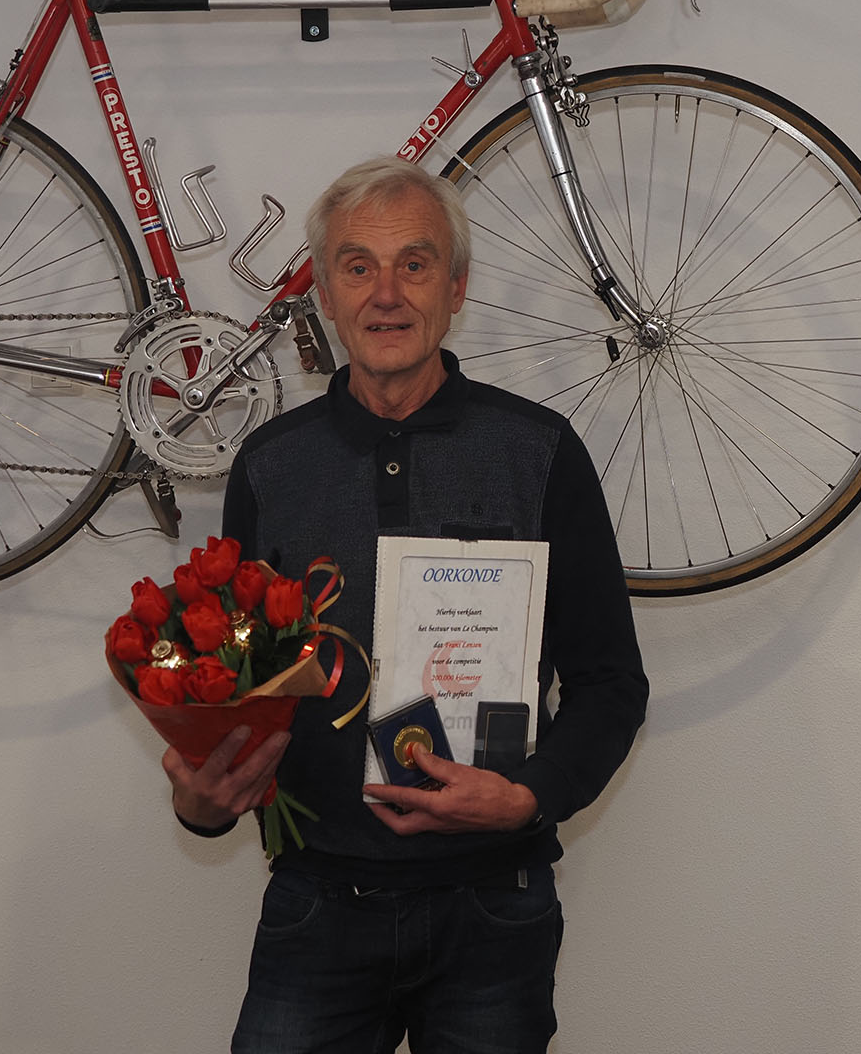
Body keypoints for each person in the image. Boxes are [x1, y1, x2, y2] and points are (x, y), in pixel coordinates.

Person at [163, 157, 649, 1054]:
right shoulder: (269, 466)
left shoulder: (540, 452)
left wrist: (529, 797)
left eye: (414, 264)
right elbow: (242, 691)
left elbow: (611, 682)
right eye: (357, 267)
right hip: (316, 905)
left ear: (456, 287)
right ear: (325, 294)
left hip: (494, 910)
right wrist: (206, 796)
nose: (385, 294)